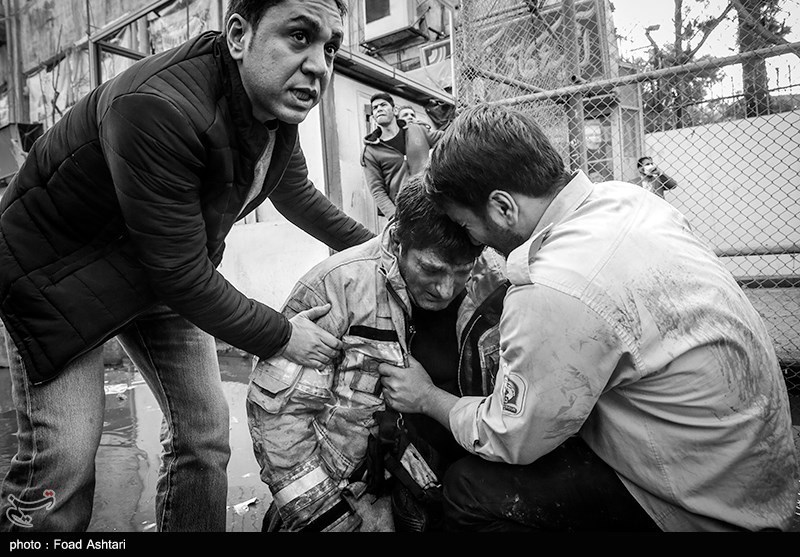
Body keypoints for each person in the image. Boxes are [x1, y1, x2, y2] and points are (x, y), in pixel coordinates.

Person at [0, 0, 374, 533]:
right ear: (238, 35)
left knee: (204, 434)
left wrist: (385, 249)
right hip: (58, 280)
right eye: (298, 36)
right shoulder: (159, 108)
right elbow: (180, 274)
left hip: (156, 268)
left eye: (330, 48)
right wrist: (283, 335)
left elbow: (298, 196)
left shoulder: (272, 114)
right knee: (64, 461)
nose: (318, 64)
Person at [377, 103, 799, 532]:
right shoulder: (627, 200)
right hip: (752, 476)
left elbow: (510, 437)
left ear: (503, 207)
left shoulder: (552, 286)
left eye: (468, 227)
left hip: (699, 510)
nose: (475, 241)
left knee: (468, 488)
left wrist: (427, 398)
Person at [245, 176, 508, 532]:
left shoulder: (495, 286)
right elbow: (279, 419)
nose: (446, 289)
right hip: (354, 495)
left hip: (459, 488)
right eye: (431, 269)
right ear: (398, 241)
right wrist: (331, 520)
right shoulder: (336, 287)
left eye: (461, 272)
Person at [361, 93, 444, 220]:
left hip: (432, 201)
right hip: (405, 211)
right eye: (375, 108)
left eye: (383, 105)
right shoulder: (371, 151)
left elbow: (447, 139)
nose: (379, 109)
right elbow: (377, 190)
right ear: (373, 116)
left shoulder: (417, 129)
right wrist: (395, 217)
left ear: (394, 110)